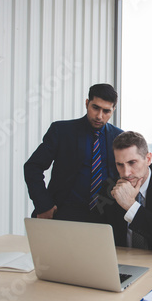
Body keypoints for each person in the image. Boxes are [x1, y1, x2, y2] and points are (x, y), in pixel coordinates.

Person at [24, 83, 123, 222]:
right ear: (87, 103)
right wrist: (44, 204)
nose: (99, 116)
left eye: (106, 111)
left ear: (113, 109)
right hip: (64, 212)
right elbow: (32, 166)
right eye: (95, 108)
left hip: (104, 215)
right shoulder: (61, 131)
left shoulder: (119, 138)